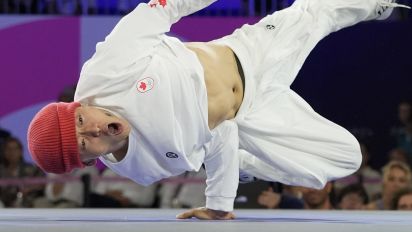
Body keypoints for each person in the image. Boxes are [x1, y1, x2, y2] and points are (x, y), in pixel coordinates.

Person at [27, 0, 410, 219]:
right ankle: (247, 165)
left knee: (316, 14)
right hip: (250, 120)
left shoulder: (107, 70)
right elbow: (220, 136)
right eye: (83, 144)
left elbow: (163, 8)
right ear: (86, 163)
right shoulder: (141, 168)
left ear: (79, 105)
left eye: (80, 120)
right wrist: (218, 207)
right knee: (345, 159)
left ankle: (379, 1)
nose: (93, 131)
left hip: (250, 54)